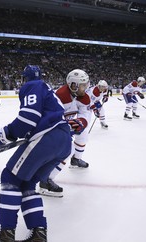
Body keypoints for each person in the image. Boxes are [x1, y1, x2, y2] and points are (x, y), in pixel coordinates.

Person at [0, 65, 72, 241]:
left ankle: (6, 233)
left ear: (24, 79)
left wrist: (4, 133)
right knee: (27, 183)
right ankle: (38, 232)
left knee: (10, 178)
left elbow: (28, 119)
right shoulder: (47, 89)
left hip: (47, 137)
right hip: (64, 141)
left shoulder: (32, 85)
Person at [39, 69, 92, 197]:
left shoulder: (82, 97)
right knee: (66, 150)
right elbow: (49, 116)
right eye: (83, 85)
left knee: (84, 136)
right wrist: (65, 127)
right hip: (54, 128)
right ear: (73, 85)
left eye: (86, 84)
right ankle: (45, 181)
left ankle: (76, 160)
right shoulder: (60, 96)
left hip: (66, 125)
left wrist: (81, 122)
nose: (86, 88)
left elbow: (85, 113)